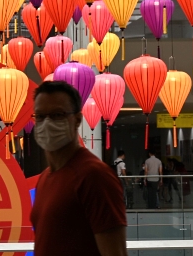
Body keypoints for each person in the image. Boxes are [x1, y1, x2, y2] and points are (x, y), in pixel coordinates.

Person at [30, 81, 127, 256]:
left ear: (77, 120)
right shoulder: (45, 178)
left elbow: (115, 252)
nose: (47, 123)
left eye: (57, 115)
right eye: (40, 116)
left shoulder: (94, 176)